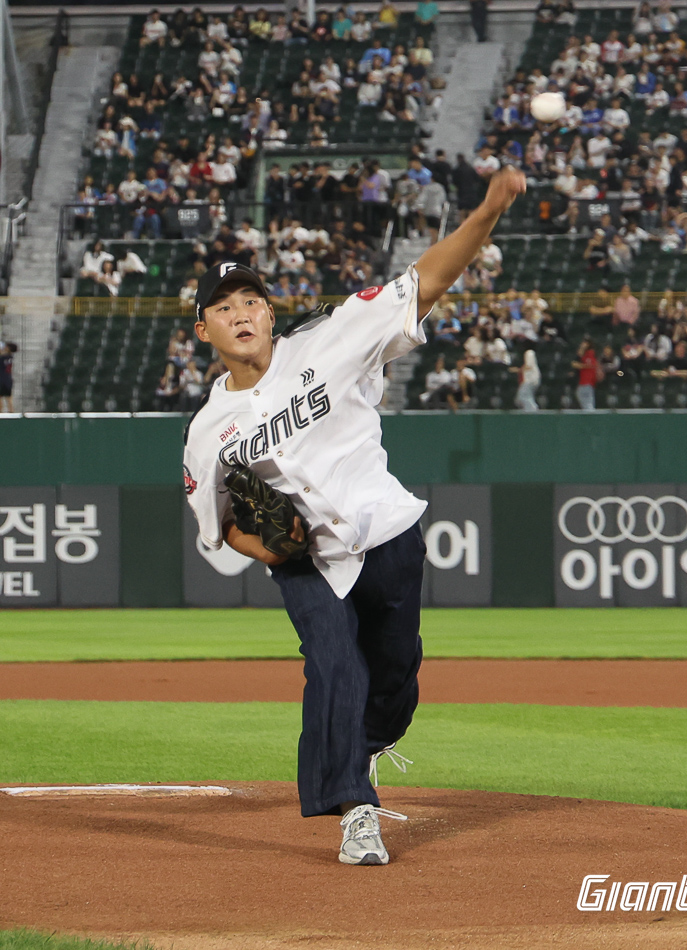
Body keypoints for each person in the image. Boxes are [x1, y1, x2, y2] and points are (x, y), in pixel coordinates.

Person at [183, 166, 527, 865]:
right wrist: (270, 549)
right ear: (203, 329)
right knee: (335, 664)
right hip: (306, 563)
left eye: (252, 298)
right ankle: (355, 809)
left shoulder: (332, 340)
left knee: (395, 679)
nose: (241, 312)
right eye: (224, 307)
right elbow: (220, 525)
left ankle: (367, 748)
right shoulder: (204, 432)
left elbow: (426, 280)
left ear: (271, 313)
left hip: (388, 534)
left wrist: (488, 211)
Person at [572, 338, 599, 410]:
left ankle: (591, 418)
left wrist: (581, 365)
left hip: (587, 382)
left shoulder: (590, 354)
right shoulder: (584, 356)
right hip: (584, 382)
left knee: (588, 405)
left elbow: (587, 365)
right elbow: (574, 363)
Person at [0, 340, 17, 412]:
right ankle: (12, 416)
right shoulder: (10, 357)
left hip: (1, 379)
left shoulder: (2, 358)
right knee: (9, 400)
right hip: (8, 380)